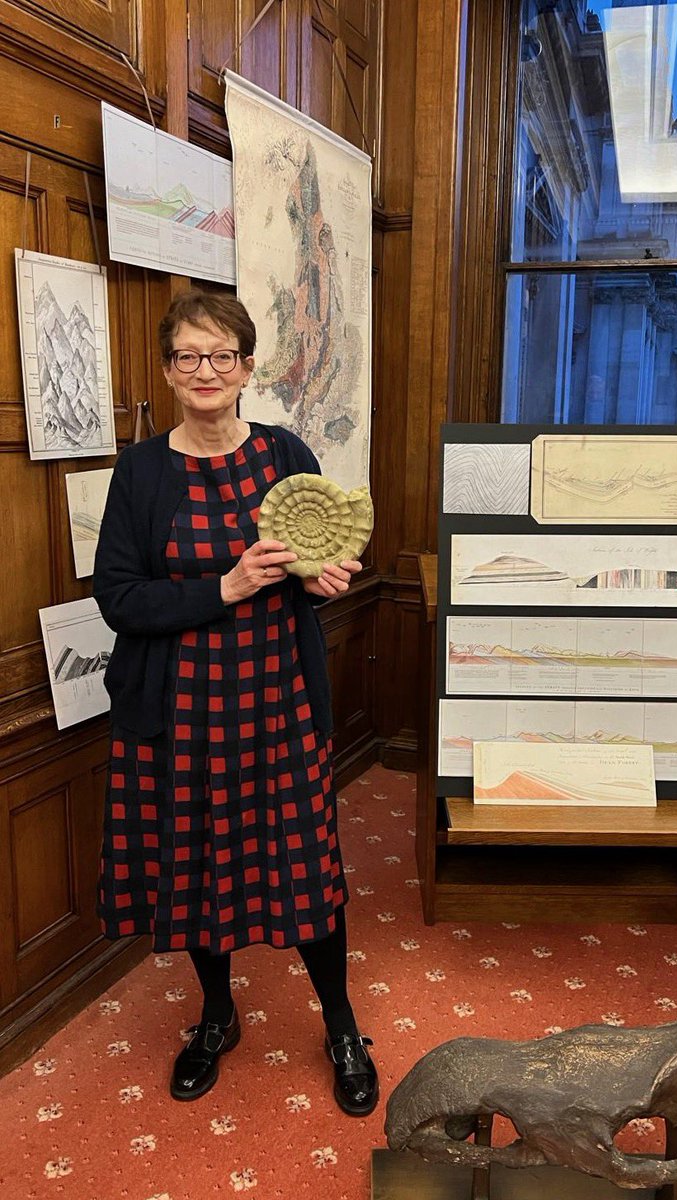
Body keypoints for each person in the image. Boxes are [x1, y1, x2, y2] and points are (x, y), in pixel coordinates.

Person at [92, 289, 377, 1114]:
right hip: (177, 717)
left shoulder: (286, 454)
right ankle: (216, 1016)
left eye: (222, 355)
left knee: (307, 874)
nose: (205, 370)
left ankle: (342, 1026)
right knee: (198, 872)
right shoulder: (142, 471)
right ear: (169, 370)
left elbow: (311, 572)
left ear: (248, 367)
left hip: (275, 705)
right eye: (187, 355)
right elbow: (119, 598)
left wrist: (319, 582)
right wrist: (221, 585)